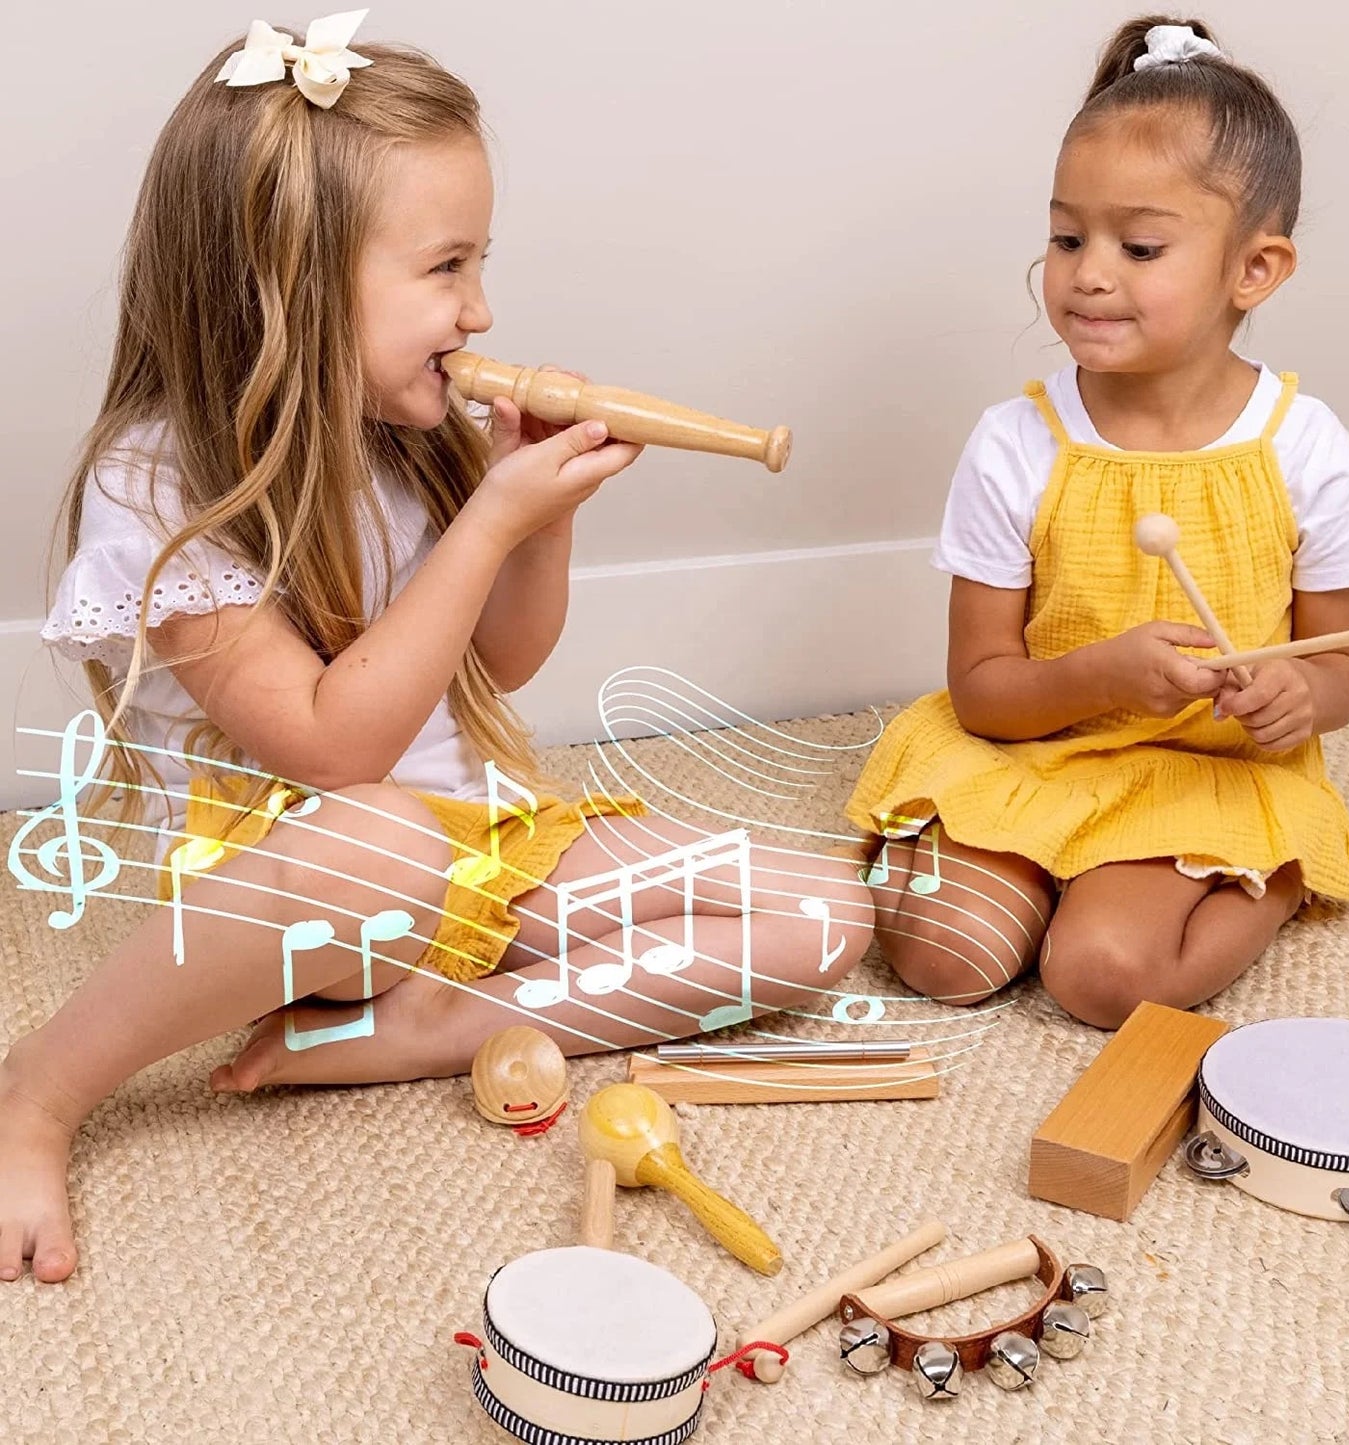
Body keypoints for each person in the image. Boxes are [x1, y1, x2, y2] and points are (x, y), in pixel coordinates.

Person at [0, 13, 872, 1285]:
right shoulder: (160, 484)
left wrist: (537, 515)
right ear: (283, 283)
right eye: (446, 266)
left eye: (481, 261)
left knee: (819, 916)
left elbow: (505, 660)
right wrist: (489, 522)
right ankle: (36, 1090)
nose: (480, 308)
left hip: (473, 856)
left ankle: (432, 1027)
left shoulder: (411, 433)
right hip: (304, 885)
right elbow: (333, 744)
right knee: (385, 835)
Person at [848, 16, 1349, 1031]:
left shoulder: (1303, 446)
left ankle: (1270, 875)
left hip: (1201, 772)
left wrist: (1293, 693)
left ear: (1254, 269)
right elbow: (982, 694)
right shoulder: (1016, 442)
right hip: (1037, 743)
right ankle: (1050, 872)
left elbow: (1341, 674)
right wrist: (1101, 674)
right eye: (1065, 238)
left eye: (1137, 246)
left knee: (1098, 976)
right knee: (944, 954)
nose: (1086, 273)